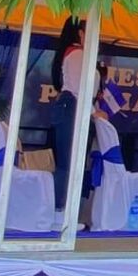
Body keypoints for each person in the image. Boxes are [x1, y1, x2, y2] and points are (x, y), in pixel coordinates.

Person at [50, 18, 85, 210]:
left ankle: (62, 207)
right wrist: (94, 112)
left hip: (68, 106)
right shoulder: (77, 53)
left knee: (67, 161)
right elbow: (79, 88)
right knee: (68, 161)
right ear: (80, 33)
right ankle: (60, 207)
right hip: (72, 106)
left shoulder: (70, 52)